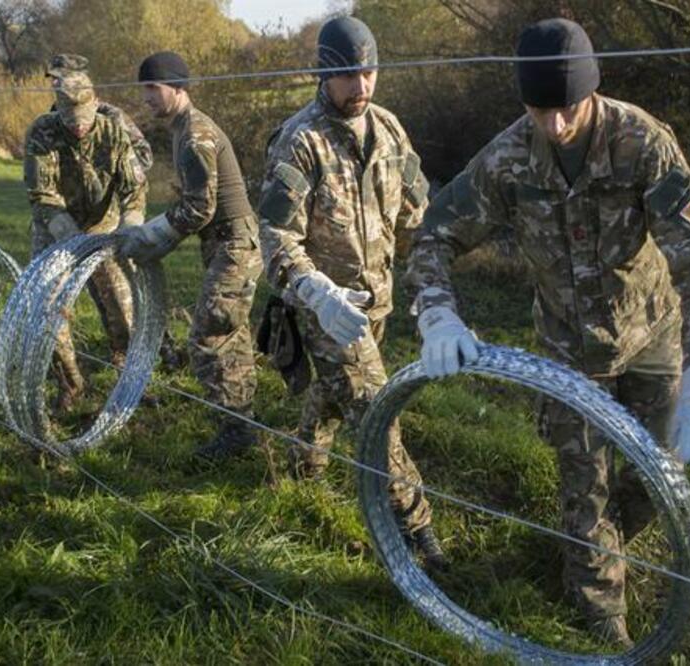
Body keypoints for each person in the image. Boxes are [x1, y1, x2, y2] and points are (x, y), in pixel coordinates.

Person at [405, 18, 690, 645]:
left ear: (592, 92)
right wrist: (437, 311)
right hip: (568, 353)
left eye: (568, 109)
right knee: (584, 487)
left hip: (652, 341)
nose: (555, 125)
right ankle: (601, 626)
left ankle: (590, 548)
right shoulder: (508, 158)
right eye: (540, 110)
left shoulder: (642, 143)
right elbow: (435, 233)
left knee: (655, 481)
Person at [257, 16, 445, 567]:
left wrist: (436, 284)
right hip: (325, 307)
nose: (361, 86)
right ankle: (418, 532)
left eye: (370, 73)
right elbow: (274, 235)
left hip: (377, 302)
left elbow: (418, 213)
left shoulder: (388, 129)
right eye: (348, 76)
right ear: (323, 72)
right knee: (375, 407)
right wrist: (313, 289)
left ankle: (302, 465)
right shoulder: (300, 141)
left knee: (340, 390)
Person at [118, 51, 263, 458]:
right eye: (143, 87)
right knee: (229, 332)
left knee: (208, 335)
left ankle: (237, 431)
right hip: (226, 242)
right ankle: (242, 423)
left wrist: (153, 235)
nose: (145, 97)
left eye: (152, 88)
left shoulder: (196, 134)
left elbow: (200, 208)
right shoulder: (182, 128)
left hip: (235, 242)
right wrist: (159, 239)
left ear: (177, 87)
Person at [24, 54, 148, 410]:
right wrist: (67, 233)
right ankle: (70, 383)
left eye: (83, 121)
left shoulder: (112, 130)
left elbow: (133, 185)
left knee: (121, 305)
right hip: (55, 232)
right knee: (48, 309)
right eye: (70, 121)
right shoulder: (42, 132)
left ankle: (128, 378)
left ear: (95, 106)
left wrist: (132, 221)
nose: (78, 128)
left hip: (105, 226)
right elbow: (42, 194)